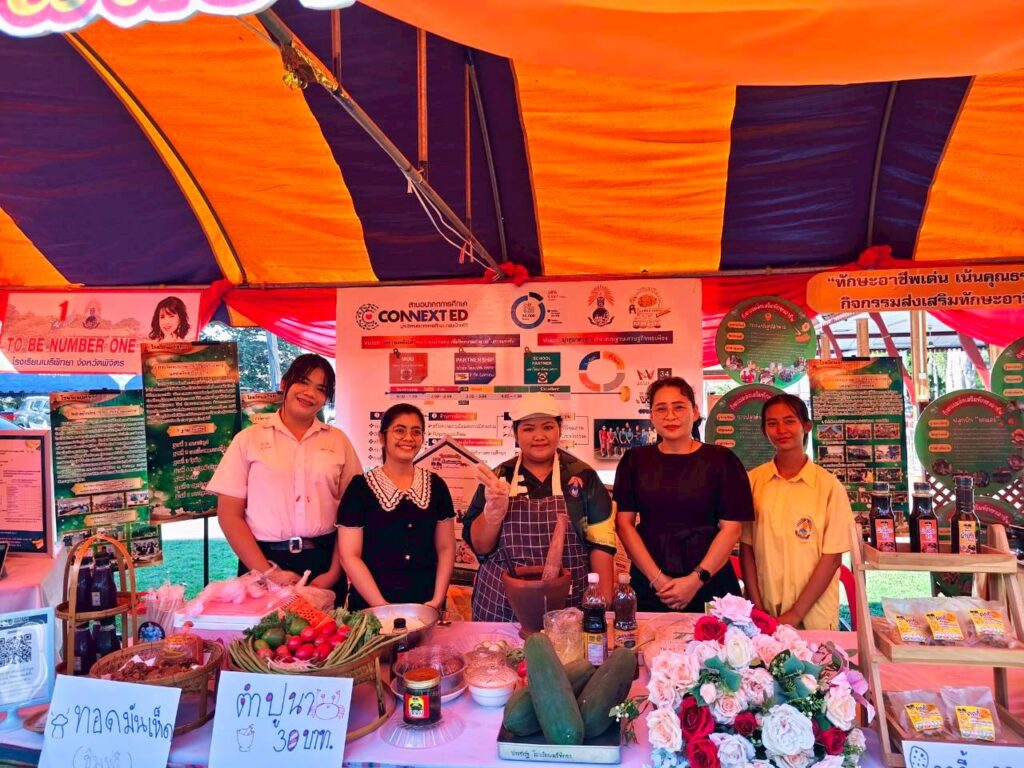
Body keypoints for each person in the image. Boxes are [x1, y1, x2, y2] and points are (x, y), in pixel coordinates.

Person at [207, 354, 359, 603]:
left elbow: (352, 514)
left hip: (324, 565)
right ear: (285, 383)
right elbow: (229, 515)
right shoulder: (248, 440)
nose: (310, 393)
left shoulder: (338, 441)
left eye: (321, 389)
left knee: (328, 628)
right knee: (267, 629)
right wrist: (268, 573)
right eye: (303, 382)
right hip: (262, 562)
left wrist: (333, 573)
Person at [464, 392, 616, 620]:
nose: (539, 436)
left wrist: (603, 607)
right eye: (528, 429)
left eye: (547, 427)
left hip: (568, 602)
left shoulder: (582, 476)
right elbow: (481, 547)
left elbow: (601, 544)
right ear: (515, 433)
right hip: (503, 604)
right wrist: (492, 514)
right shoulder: (498, 477)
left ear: (559, 430)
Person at [614, 376, 753, 612]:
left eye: (678, 407)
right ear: (651, 416)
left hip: (711, 579)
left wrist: (695, 580)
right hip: (650, 581)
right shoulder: (634, 461)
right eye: (661, 409)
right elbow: (624, 525)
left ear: (695, 411)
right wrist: (658, 580)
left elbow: (731, 529)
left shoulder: (722, 460)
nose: (670, 416)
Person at [740, 393, 853, 630]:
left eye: (789, 421)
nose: (781, 429)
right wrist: (756, 607)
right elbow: (746, 548)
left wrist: (796, 613)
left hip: (814, 615)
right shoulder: (752, 482)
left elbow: (832, 558)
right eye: (772, 423)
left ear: (807, 426)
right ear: (764, 431)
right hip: (763, 613)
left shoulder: (829, 487)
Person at [337, 404, 456, 610]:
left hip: (426, 603)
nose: (408, 438)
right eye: (399, 430)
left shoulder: (436, 485)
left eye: (416, 432)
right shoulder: (359, 488)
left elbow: (446, 548)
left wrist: (437, 599)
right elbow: (349, 556)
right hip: (371, 606)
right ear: (382, 438)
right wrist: (383, 607)